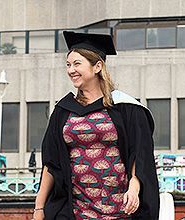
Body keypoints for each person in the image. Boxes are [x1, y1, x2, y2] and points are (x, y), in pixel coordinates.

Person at [33, 31, 159, 220]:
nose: (71, 70)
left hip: (119, 209)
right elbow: (51, 163)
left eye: (77, 64)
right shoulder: (63, 111)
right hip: (75, 210)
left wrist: (134, 186)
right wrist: (39, 208)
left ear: (98, 66)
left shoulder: (125, 107)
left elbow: (140, 153)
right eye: (68, 65)